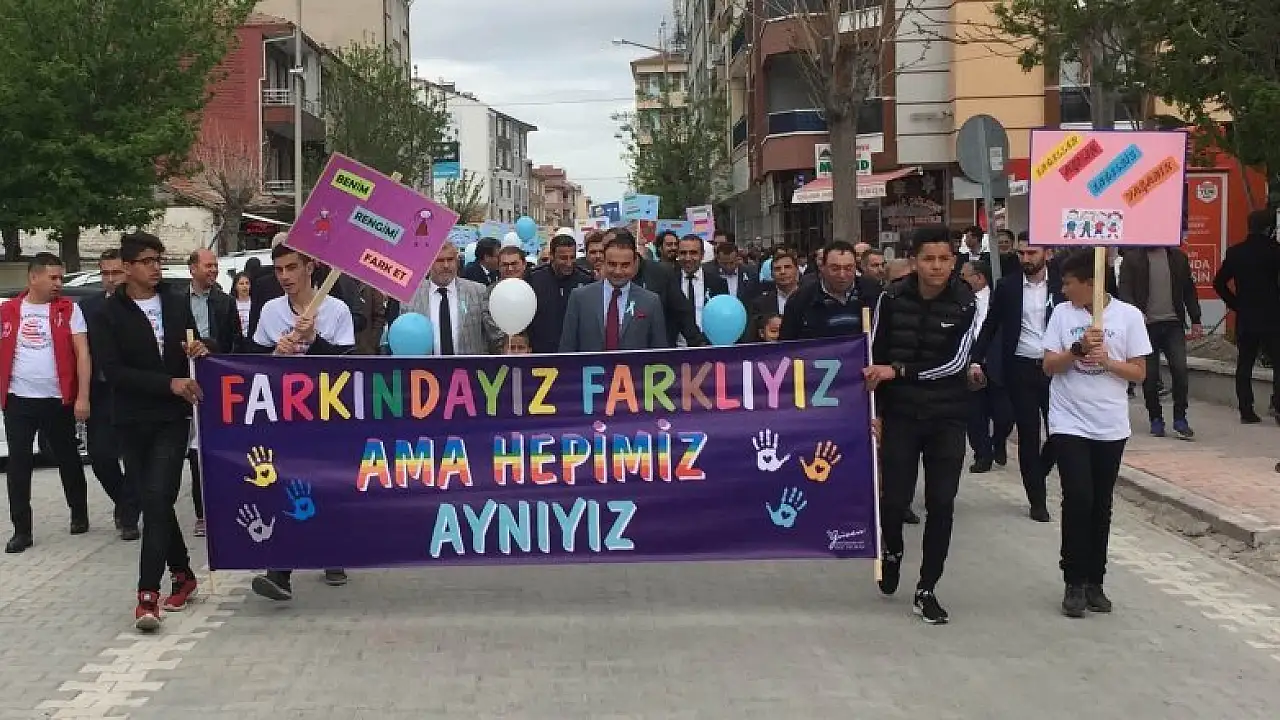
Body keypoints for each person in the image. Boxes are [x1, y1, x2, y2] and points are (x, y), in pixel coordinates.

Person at [89, 231, 208, 631]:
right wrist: (167, 383)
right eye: (147, 261)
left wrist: (198, 349)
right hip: (131, 418)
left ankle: (147, 595)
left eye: (159, 260)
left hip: (172, 419)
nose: (156, 267)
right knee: (154, 502)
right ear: (127, 267)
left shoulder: (174, 302)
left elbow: (193, 343)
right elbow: (113, 371)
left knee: (158, 499)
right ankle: (184, 574)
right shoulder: (106, 313)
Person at [865, 225, 978, 625]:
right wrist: (875, 412)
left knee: (941, 504)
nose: (936, 267)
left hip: (948, 416)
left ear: (954, 261)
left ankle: (927, 588)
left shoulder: (966, 303)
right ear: (914, 261)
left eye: (944, 259)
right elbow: (873, 356)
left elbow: (955, 364)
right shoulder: (891, 298)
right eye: (928, 259)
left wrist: (899, 371)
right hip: (900, 415)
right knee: (894, 500)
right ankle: (892, 548)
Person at [1042, 250, 1150, 618]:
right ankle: (1073, 580)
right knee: (1078, 497)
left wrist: (1107, 362)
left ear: (1091, 283)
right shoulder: (1062, 314)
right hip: (1068, 421)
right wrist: (1077, 350)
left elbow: (1139, 372)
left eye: (1068, 283)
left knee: (1100, 503)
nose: (1063, 289)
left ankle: (1094, 581)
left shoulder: (1128, 316)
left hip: (1110, 424)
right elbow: (1049, 365)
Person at [247, 244, 356, 601]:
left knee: (325, 485)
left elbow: (346, 365)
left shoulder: (337, 310)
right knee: (287, 486)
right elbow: (250, 360)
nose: (285, 276)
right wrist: (274, 354)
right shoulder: (270, 311)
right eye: (278, 270)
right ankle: (280, 571)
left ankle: (332, 553)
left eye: (292, 267)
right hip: (284, 415)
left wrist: (314, 341)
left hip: (326, 415)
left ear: (310, 268)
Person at [1, 253, 92, 554]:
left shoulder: (69, 310)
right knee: (18, 463)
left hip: (56, 398)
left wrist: (82, 396)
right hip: (18, 399)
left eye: (61, 278)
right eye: (53, 277)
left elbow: (82, 354)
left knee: (67, 457)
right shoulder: (8, 310)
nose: (58, 283)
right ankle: (21, 530)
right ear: (33, 277)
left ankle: (78, 512)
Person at [972, 235, 1064, 522]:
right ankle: (1037, 500)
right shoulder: (1008, 286)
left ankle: (1040, 469)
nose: (1026, 258)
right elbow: (991, 325)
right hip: (1020, 366)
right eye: (1022, 253)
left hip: (1056, 368)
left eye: (1032, 253)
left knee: (1061, 432)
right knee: (1028, 433)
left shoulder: (1062, 285)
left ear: (1047, 254)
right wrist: (976, 358)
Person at [78, 250, 139, 541]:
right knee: (101, 455)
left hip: (133, 390)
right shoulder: (88, 307)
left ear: (127, 273)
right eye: (105, 273)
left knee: (135, 455)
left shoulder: (138, 305)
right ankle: (125, 501)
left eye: (116, 273)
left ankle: (129, 517)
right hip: (100, 391)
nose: (111, 279)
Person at [1117, 245, 1202, 439]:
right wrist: (1135, 315)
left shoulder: (1178, 257)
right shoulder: (1133, 259)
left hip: (1173, 324)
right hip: (1146, 326)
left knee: (1180, 370)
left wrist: (1195, 318)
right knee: (1150, 375)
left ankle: (1180, 418)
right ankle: (1155, 418)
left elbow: (1189, 289)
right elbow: (1125, 292)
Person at [184, 249, 238, 537]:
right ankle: (202, 513)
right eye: (208, 265)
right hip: (182, 377)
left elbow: (235, 342)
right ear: (192, 268)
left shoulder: (225, 302)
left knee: (210, 443)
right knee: (194, 448)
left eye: (216, 265)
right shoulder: (177, 300)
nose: (213, 270)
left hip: (215, 377)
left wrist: (211, 349)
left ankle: (221, 506)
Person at [1214, 209, 1280, 423]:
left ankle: (1246, 409)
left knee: (1245, 364)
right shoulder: (1275, 251)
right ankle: (1278, 406)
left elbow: (1219, 283)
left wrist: (1236, 304)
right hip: (1273, 317)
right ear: (1269, 228)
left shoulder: (1236, 252)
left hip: (1246, 317)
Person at [559, 233, 668, 352]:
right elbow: (567, 350)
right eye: (612, 264)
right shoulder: (580, 298)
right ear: (604, 262)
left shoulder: (651, 302)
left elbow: (659, 353)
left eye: (625, 265)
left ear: (634, 264)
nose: (618, 271)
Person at [961, 260, 1011, 472]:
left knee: (1005, 415)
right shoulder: (960, 300)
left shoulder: (1000, 298)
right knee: (974, 414)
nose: (961, 281)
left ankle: (998, 441)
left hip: (998, 363)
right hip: (969, 363)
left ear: (979, 277)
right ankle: (982, 455)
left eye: (964, 276)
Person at [404, 243, 498, 355]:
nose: (446, 265)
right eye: (440, 260)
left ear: (457, 262)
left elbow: (491, 334)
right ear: (428, 263)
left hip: (470, 364)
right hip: (424, 365)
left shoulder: (478, 291)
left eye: (450, 259)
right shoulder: (411, 297)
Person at [779, 240, 868, 340]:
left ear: (856, 267)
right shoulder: (800, 300)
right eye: (835, 268)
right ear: (822, 267)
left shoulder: (871, 293)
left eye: (848, 268)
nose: (842, 275)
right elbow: (786, 344)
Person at [527, 233, 594, 354]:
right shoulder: (534, 279)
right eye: (563, 258)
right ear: (552, 256)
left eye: (572, 257)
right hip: (541, 353)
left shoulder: (586, 279)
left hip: (575, 353)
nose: (569, 263)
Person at [676, 234, 729, 344]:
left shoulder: (718, 283)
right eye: (683, 253)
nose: (688, 258)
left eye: (693, 253)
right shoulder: (669, 281)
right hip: (676, 348)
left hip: (709, 346)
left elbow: (722, 317)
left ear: (702, 255)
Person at [750, 249, 800, 340]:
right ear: (772, 274)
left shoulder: (810, 298)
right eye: (777, 269)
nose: (782, 272)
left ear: (797, 271)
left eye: (787, 267)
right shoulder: (760, 304)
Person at [230, 272, 253, 339]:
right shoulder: (231, 303)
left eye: (247, 283)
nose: (245, 286)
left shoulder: (255, 302)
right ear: (235, 286)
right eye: (241, 284)